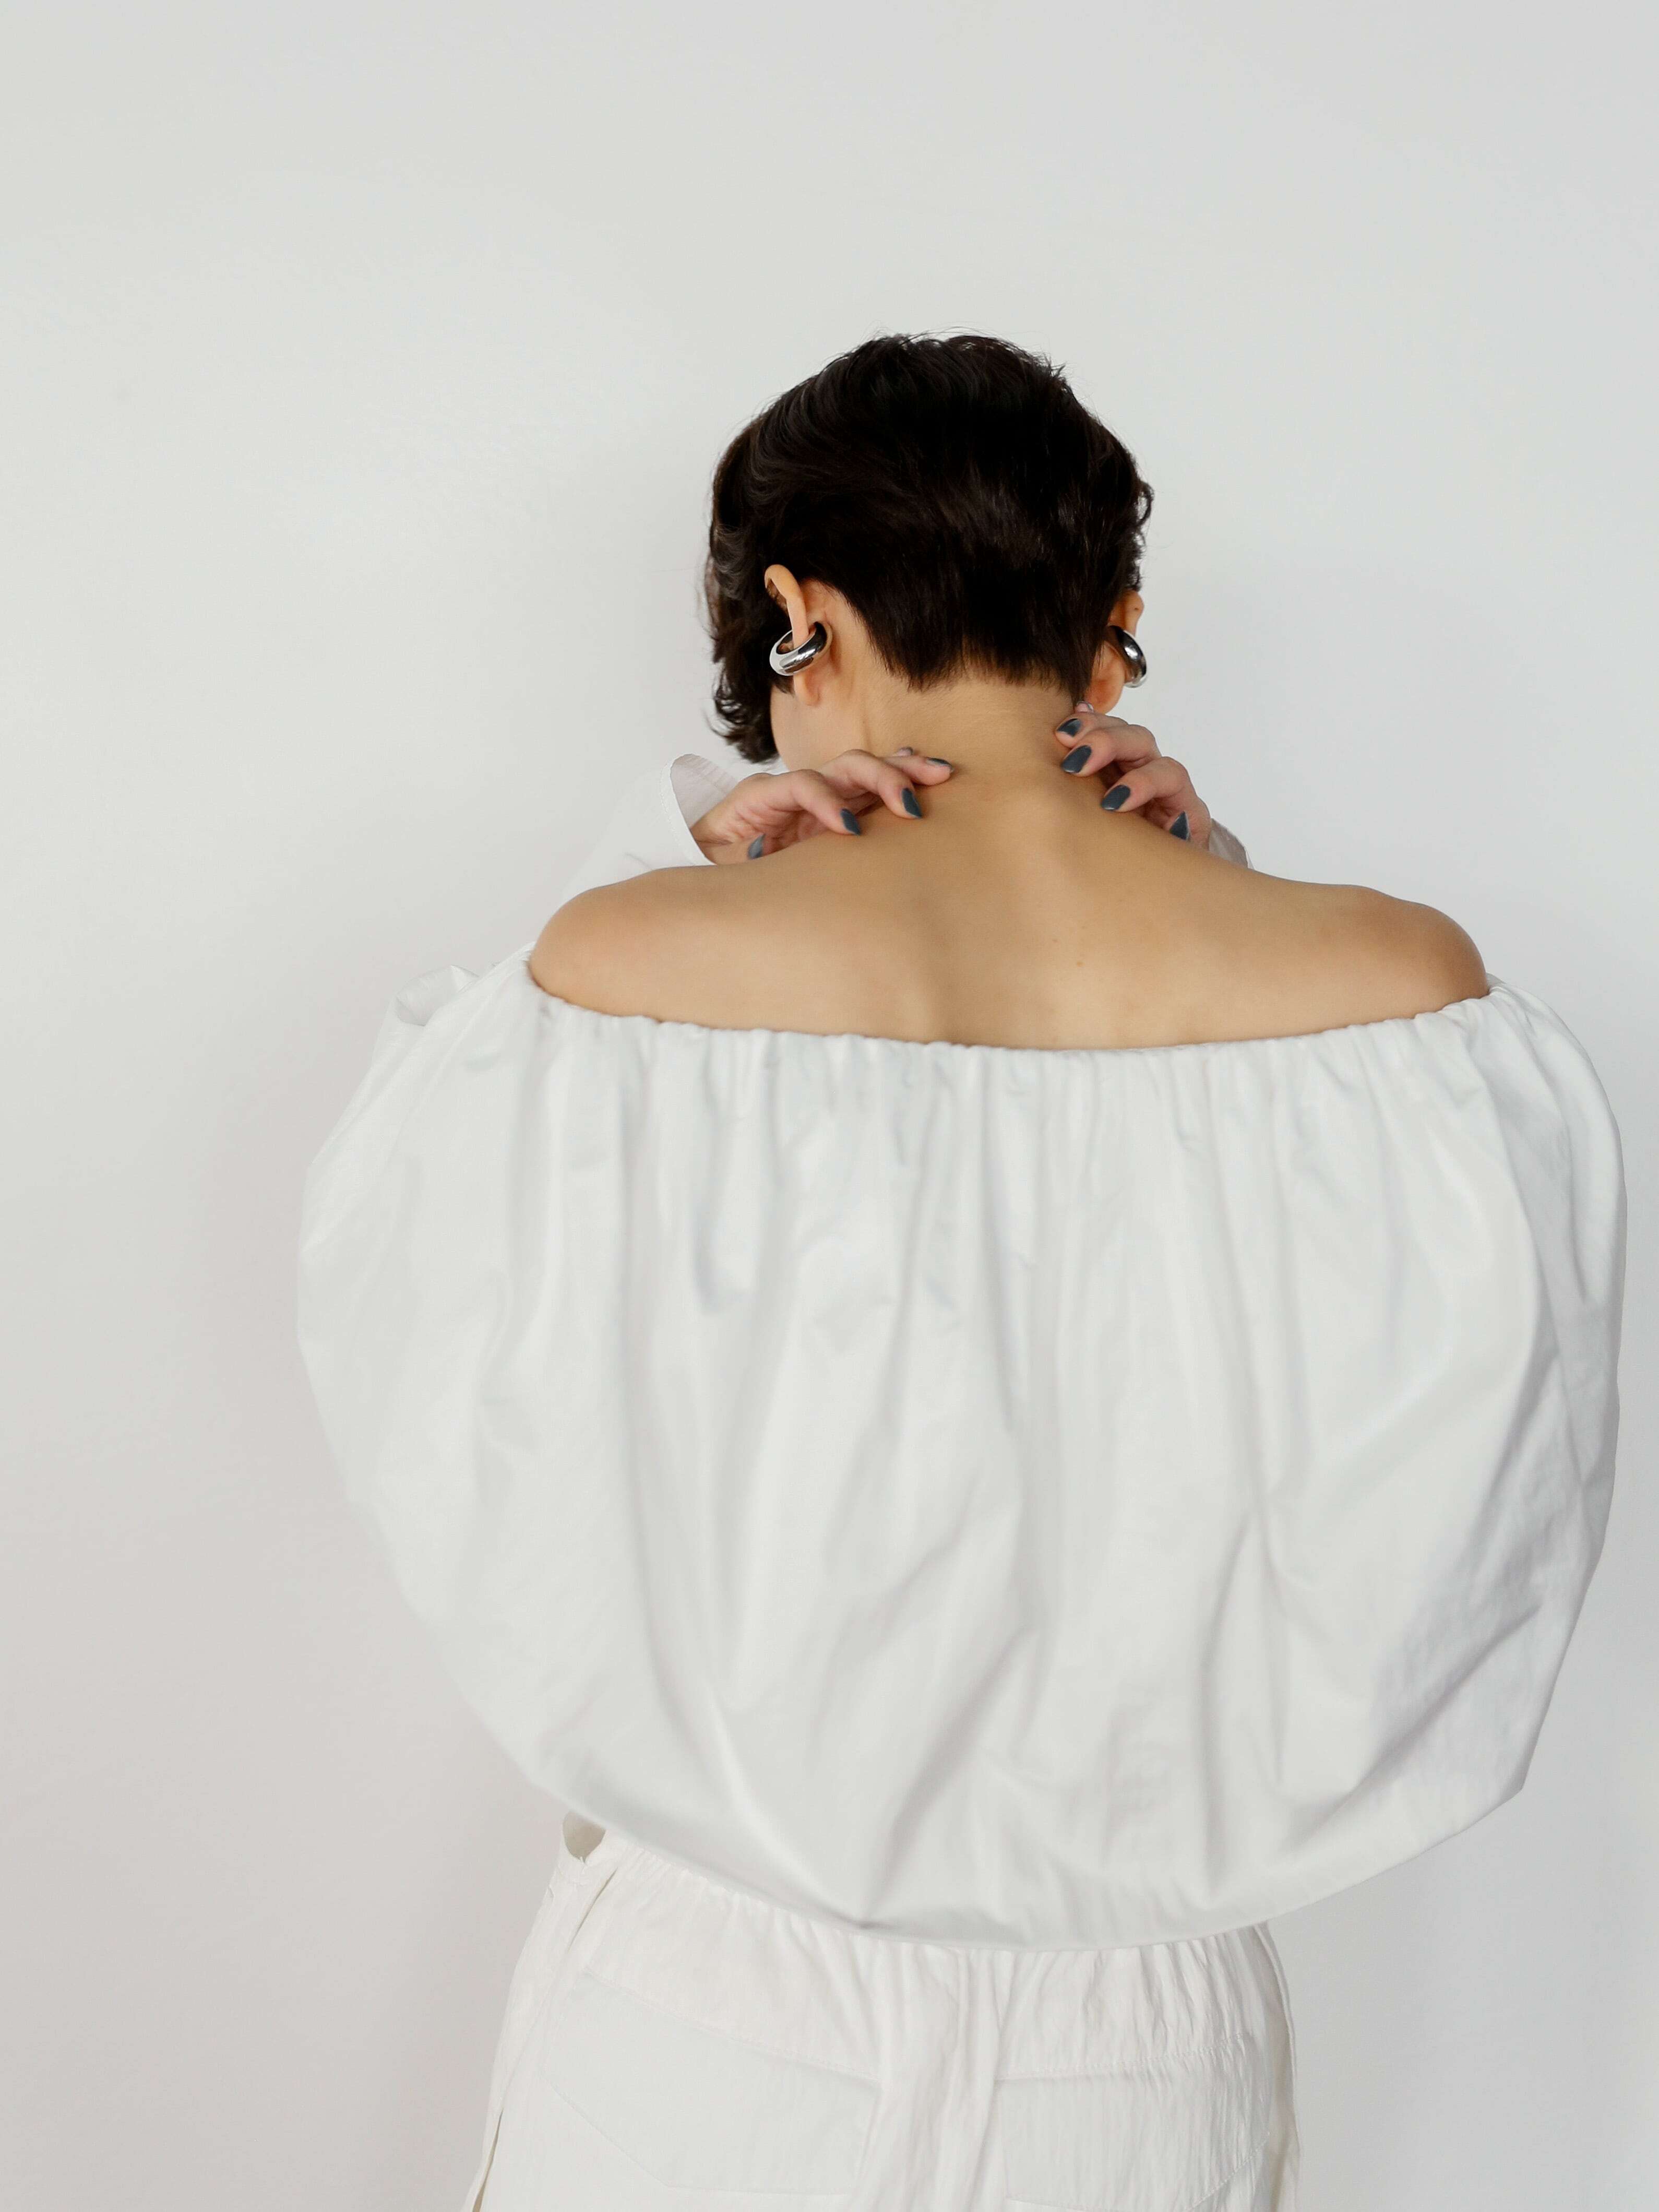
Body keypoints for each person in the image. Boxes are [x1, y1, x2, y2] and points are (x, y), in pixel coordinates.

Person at [297, 336, 1626, 2212]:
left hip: (705, 2015)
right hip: (1149, 2047)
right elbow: (1463, 1535)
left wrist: (667, 871)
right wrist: (1216, 881)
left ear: (796, 615)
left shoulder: (612, 982)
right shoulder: (1408, 1009)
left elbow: (433, 1377)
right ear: (1112, 636)